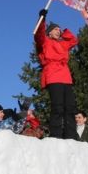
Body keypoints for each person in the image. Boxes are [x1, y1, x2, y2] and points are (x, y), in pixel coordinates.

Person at [34, 9, 79, 139]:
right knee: (58, 106)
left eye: (59, 29)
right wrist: (42, 19)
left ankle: (71, 135)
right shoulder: (45, 42)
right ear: (49, 32)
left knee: (70, 107)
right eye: (55, 29)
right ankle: (56, 135)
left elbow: (74, 41)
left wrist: (64, 32)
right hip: (53, 76)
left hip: (66, 77)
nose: (58, 31)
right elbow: (38, 34)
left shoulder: (63, 44)